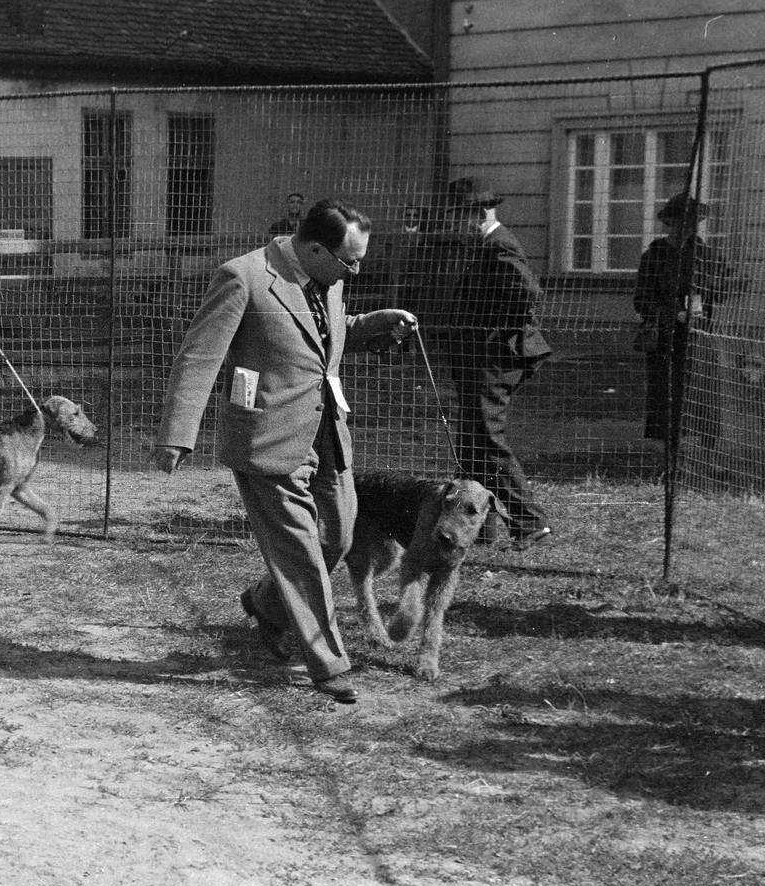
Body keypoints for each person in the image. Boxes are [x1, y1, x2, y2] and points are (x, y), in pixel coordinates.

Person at [154, 199, 417, 703]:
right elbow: (200, 355)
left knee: (337, 537)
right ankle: (327, 664)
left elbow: (324, 339)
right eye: (350, 260)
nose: (355, 270)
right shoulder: (244, 277)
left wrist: (375, 324)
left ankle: (265, 604)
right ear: (315, 248)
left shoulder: (329, 276)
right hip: (267, 439)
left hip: (326, 433)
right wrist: (176, 433)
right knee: (300, 553)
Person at [443, 177, 551, 547]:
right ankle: (480, 529)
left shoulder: (500, 245)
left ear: (475, 214)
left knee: (487, 440)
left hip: (493, 358)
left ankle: (530, 522)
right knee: (472, 441)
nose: (454, 224)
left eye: (457, 216)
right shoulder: (487, 244)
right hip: (480, 358)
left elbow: (528, 294)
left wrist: (497, 333)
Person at [633, 191, 724, 446]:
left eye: (692, 222)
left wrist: (713, 290)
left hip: (700, 335)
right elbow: (641, 300)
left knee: (703, 395)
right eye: (680, 222)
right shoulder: (655, 255)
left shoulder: (707, 255)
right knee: (669, 395)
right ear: (670, 223)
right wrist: (675, 314)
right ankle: (670, 452)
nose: (686, 228)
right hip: (666, 338)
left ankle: (705, 454)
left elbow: (725, 286)